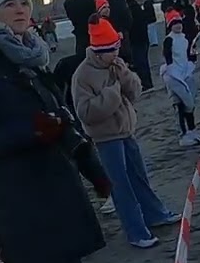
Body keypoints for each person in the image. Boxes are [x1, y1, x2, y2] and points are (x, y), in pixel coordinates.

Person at [0, 0, 136, 263]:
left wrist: (94, 172)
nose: (20, 9)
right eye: (8, 4)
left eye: (23, 2)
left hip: (59, 186)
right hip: (20, 197)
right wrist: (31, 132)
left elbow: (64, 121)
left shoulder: (34, 58)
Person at [72, 16, 180, 248]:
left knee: (139, 177)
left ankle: (155, 214)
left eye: (117, 48)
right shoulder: (83, 75)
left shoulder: (117, 65)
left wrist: (126, 77)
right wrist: (113, 91)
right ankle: (136, 231)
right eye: (112, 50)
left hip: (126, 131)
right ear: (99, 51)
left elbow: (134, 94)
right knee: (120, 185)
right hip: (106, 138)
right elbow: (86, 112)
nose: (116, 53)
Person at [161, 10, 200, 147]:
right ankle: (183, 134)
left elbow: (192, 54)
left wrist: (191, 65)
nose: (178, 26)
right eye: (174, 23)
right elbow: (168, 58)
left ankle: (192, 130)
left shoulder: (186, 38)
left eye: (179, 23)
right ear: (170, 26)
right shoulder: (169, 40)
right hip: (174, 76)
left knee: (190, 104)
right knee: (179, 105)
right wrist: (173, 72)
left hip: (186, 73)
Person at [122, 0, 154, 91]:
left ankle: (145, 83)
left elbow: (128, 26)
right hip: (144, 38)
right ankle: (149, 82)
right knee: (144, 62)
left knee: (139, 63)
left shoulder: (129, 12)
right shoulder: (140, 10)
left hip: (135, 40)